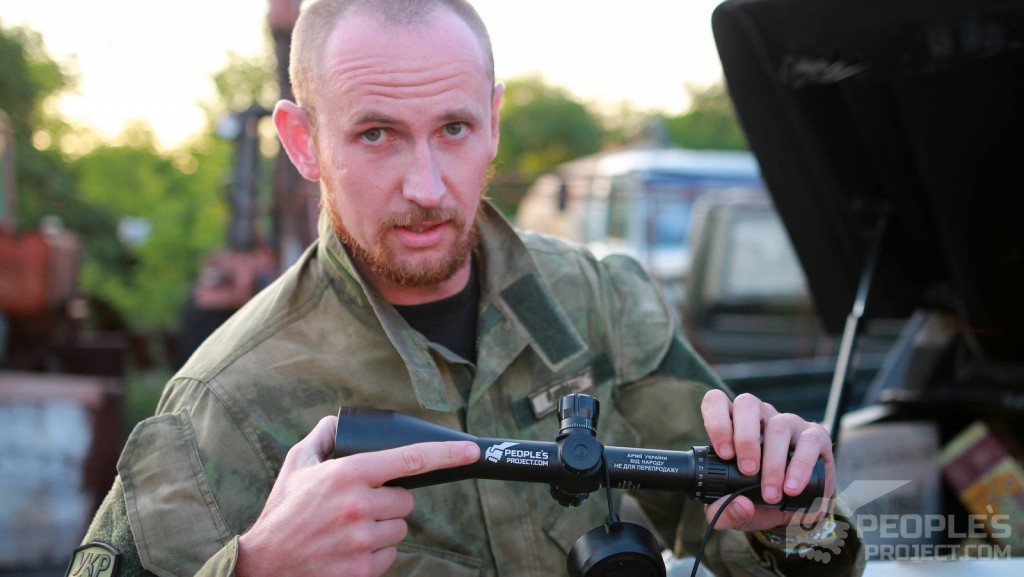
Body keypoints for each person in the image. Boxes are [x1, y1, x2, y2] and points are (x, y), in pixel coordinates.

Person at [75, 1, 864, 576]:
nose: (426, 186)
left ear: (492, 122)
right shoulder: (225, 400)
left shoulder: (598, 304)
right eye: (377, 134)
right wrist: (255, 568)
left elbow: (760, 544)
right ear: (302, 141)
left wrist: (792, 520)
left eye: (453, 129)